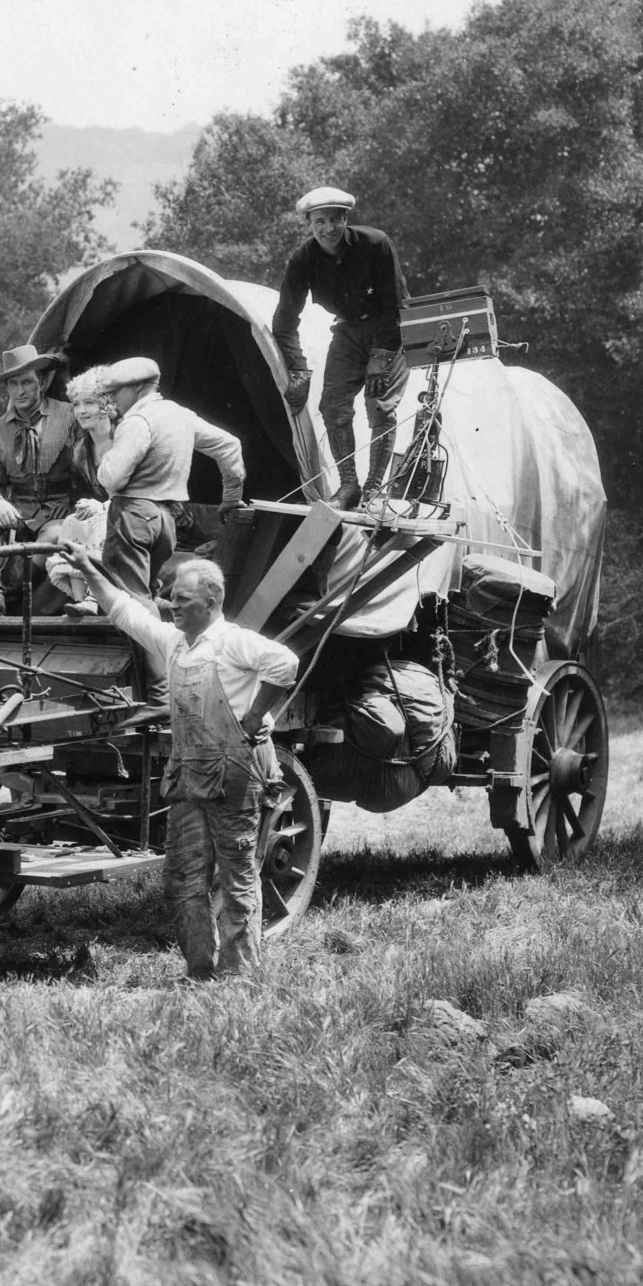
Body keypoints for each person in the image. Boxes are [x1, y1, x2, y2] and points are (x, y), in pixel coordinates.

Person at [59, 546, 298, 980]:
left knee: (236, 877)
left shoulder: (233, 642)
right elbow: (124, 611)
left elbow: (285, 663)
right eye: (171, 598)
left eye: (183, 600)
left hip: (233, 776)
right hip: (187, 774)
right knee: (182, 880)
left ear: (210, 603)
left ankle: (238, 976)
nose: (172, 607)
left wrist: (252, 716)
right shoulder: (174, 642)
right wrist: (86, 569)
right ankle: (200, 971)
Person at [272, 184, 409, 509]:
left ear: (346, 218)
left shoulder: (376, 243)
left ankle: (375, 491)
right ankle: (349, 487)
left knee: (379, 404)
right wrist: (299, 368)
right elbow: (284, 320)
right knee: (332, 406)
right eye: (320, 221)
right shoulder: (303, 259)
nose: (328, 228)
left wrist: (382, 355)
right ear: (309, 223)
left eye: (335, 220)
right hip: (348, 330)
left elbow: (396, 304)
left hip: (388, 329)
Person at [87, 356, 249, 599]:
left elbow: (112, 480)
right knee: (148, 593)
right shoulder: (182, 415)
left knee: (132, 601)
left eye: (115, 392)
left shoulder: (136, 422)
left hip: (132, 518)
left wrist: (102, 443)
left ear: (136, 388)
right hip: (166, 522)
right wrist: (232, 497)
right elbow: (230, 446)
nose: (111, 400)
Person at [0, 342, 87, 616]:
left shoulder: (70, 416)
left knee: (55, 535)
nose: (19, 391)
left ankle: (10, 593)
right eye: (12, 384)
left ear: (42, 382)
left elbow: (88, 469)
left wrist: (73, 505)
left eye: (26, 382)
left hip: (58, 513)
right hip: (16, 513)